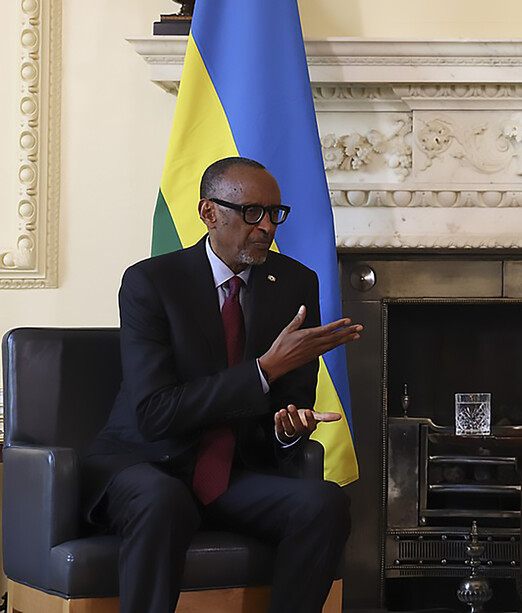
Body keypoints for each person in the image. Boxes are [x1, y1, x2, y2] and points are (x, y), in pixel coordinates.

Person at [83, 156, 361, 613]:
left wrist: (288, 428)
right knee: (163, 500)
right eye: (253, 212)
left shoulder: (294, 282)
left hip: (234, 473)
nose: (267, 226)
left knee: (324, 502)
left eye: (275, 213)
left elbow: (290, 402)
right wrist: (262, 371)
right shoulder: (151, 283)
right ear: (209, 213)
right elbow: (155, 413)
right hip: (146, 461)